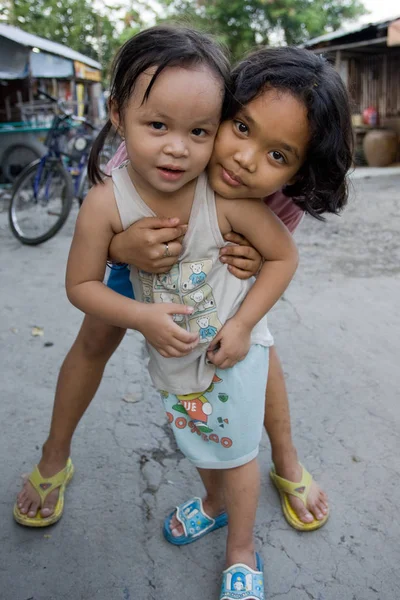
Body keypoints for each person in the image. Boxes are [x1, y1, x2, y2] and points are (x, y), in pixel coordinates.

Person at [14, 35, 352, 550]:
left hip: (214, 273)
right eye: (239, 127)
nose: (244, 159)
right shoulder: (158, 139)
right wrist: (122, 249)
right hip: (142, 252)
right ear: (225, 109)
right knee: (92, 344)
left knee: (258, 349)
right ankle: (53, 457)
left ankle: (285, 460)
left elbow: (277, 258)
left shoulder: (282, 197)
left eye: (277, 153)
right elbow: (102, 231)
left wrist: (255, 260)